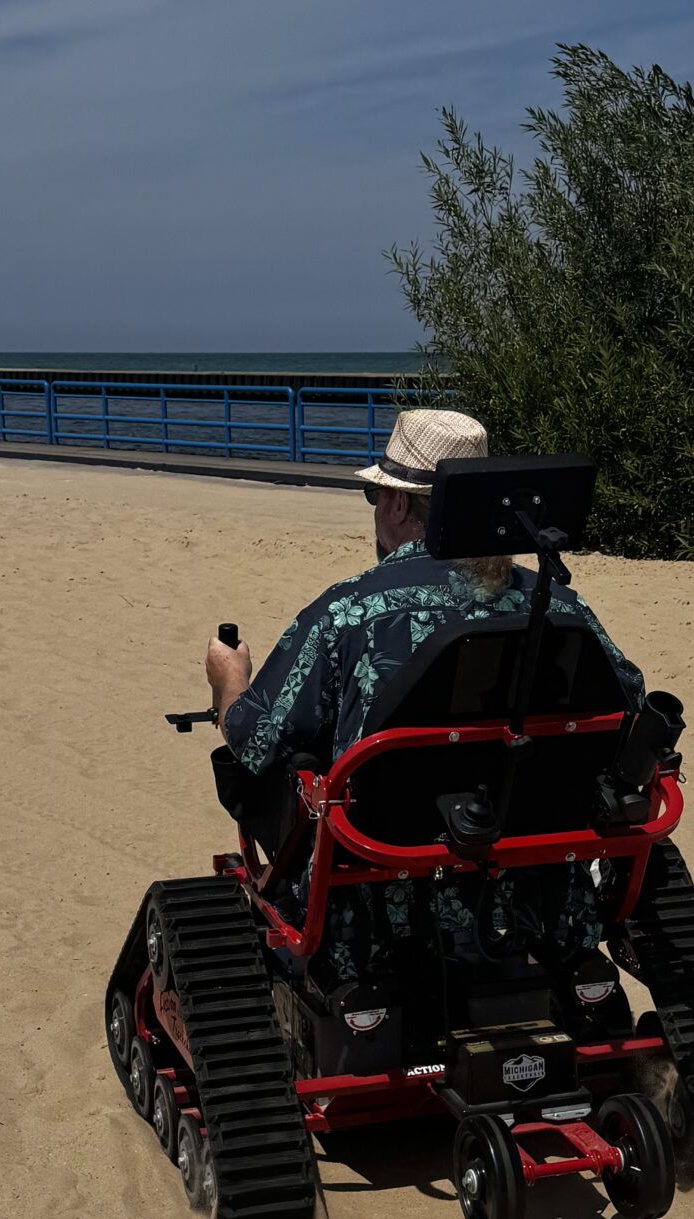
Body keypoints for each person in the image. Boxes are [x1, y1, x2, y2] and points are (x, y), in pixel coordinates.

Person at [202, 406, 644, 978]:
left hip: (376, 907)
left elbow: (258, 740)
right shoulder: (558, 607)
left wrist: (230, 679)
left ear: (398, 502)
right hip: (537, 894)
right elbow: (627, 703)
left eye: (376, 498)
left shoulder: (352, 611)